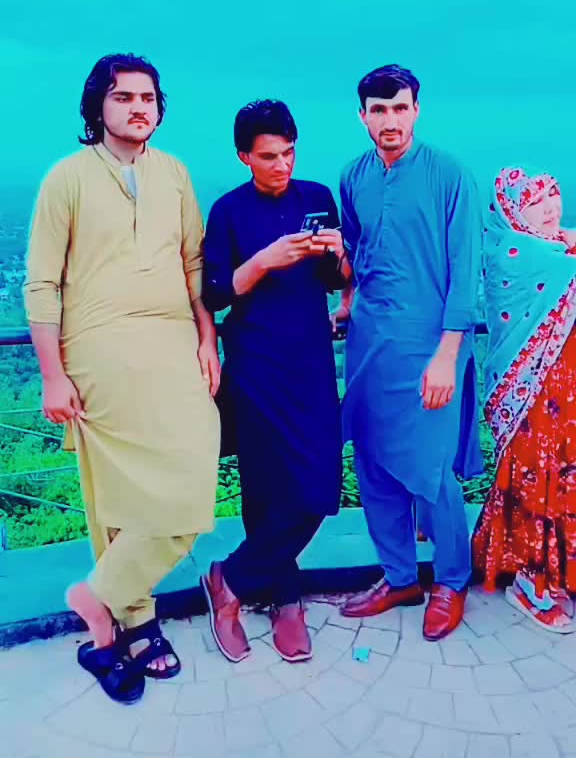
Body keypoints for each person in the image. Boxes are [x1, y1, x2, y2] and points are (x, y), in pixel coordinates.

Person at [23, 54, 221, 703]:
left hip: (174, 343)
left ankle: (96, 596)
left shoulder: (175, 173)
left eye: (147, 98)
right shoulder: (67, 178)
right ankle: (134, 625)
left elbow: (193, 264)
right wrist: (52, 376)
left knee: (192, 475)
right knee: (116, 497)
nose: (139, 107)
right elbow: (42, 284)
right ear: (98, 107)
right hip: (98, 348)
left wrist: (207, 336)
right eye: (123, 97)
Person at [335, 64, 483, 640]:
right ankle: (399, 577)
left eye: (400, 108)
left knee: (431, 468)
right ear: (362, 116)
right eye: (379, 110)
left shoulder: (450, 175)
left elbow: (465, 271)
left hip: (431, 346)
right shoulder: (353, 176)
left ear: (416, 109)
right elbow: (358, 252)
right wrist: (347, 300)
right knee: (373, 463)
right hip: (370, 343)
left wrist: (447, 354)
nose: (390, 120)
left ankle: (450, 580)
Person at [201, 99, 346, 663]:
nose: (282, 165)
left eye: (288, 153)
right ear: (244, 156)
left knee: (319, 485)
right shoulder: (229, 211)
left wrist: (337, 253)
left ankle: (230, 581)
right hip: (256, 364)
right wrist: (264, 259)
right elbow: (216, 293)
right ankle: (285, 599)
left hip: (311, 359)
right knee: (264, 488)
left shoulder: (317, 197)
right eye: (268, 157)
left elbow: (334, 279)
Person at [473, 166, 576, 632]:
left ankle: (559, 574)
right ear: (514, 213)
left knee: (563, 478)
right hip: (532, 400)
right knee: (537, 483)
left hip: (564, 394)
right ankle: (530, 581)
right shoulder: (516, 254)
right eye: (536, 202)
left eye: (554, 196)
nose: (551, 209)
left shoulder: (552, 249)